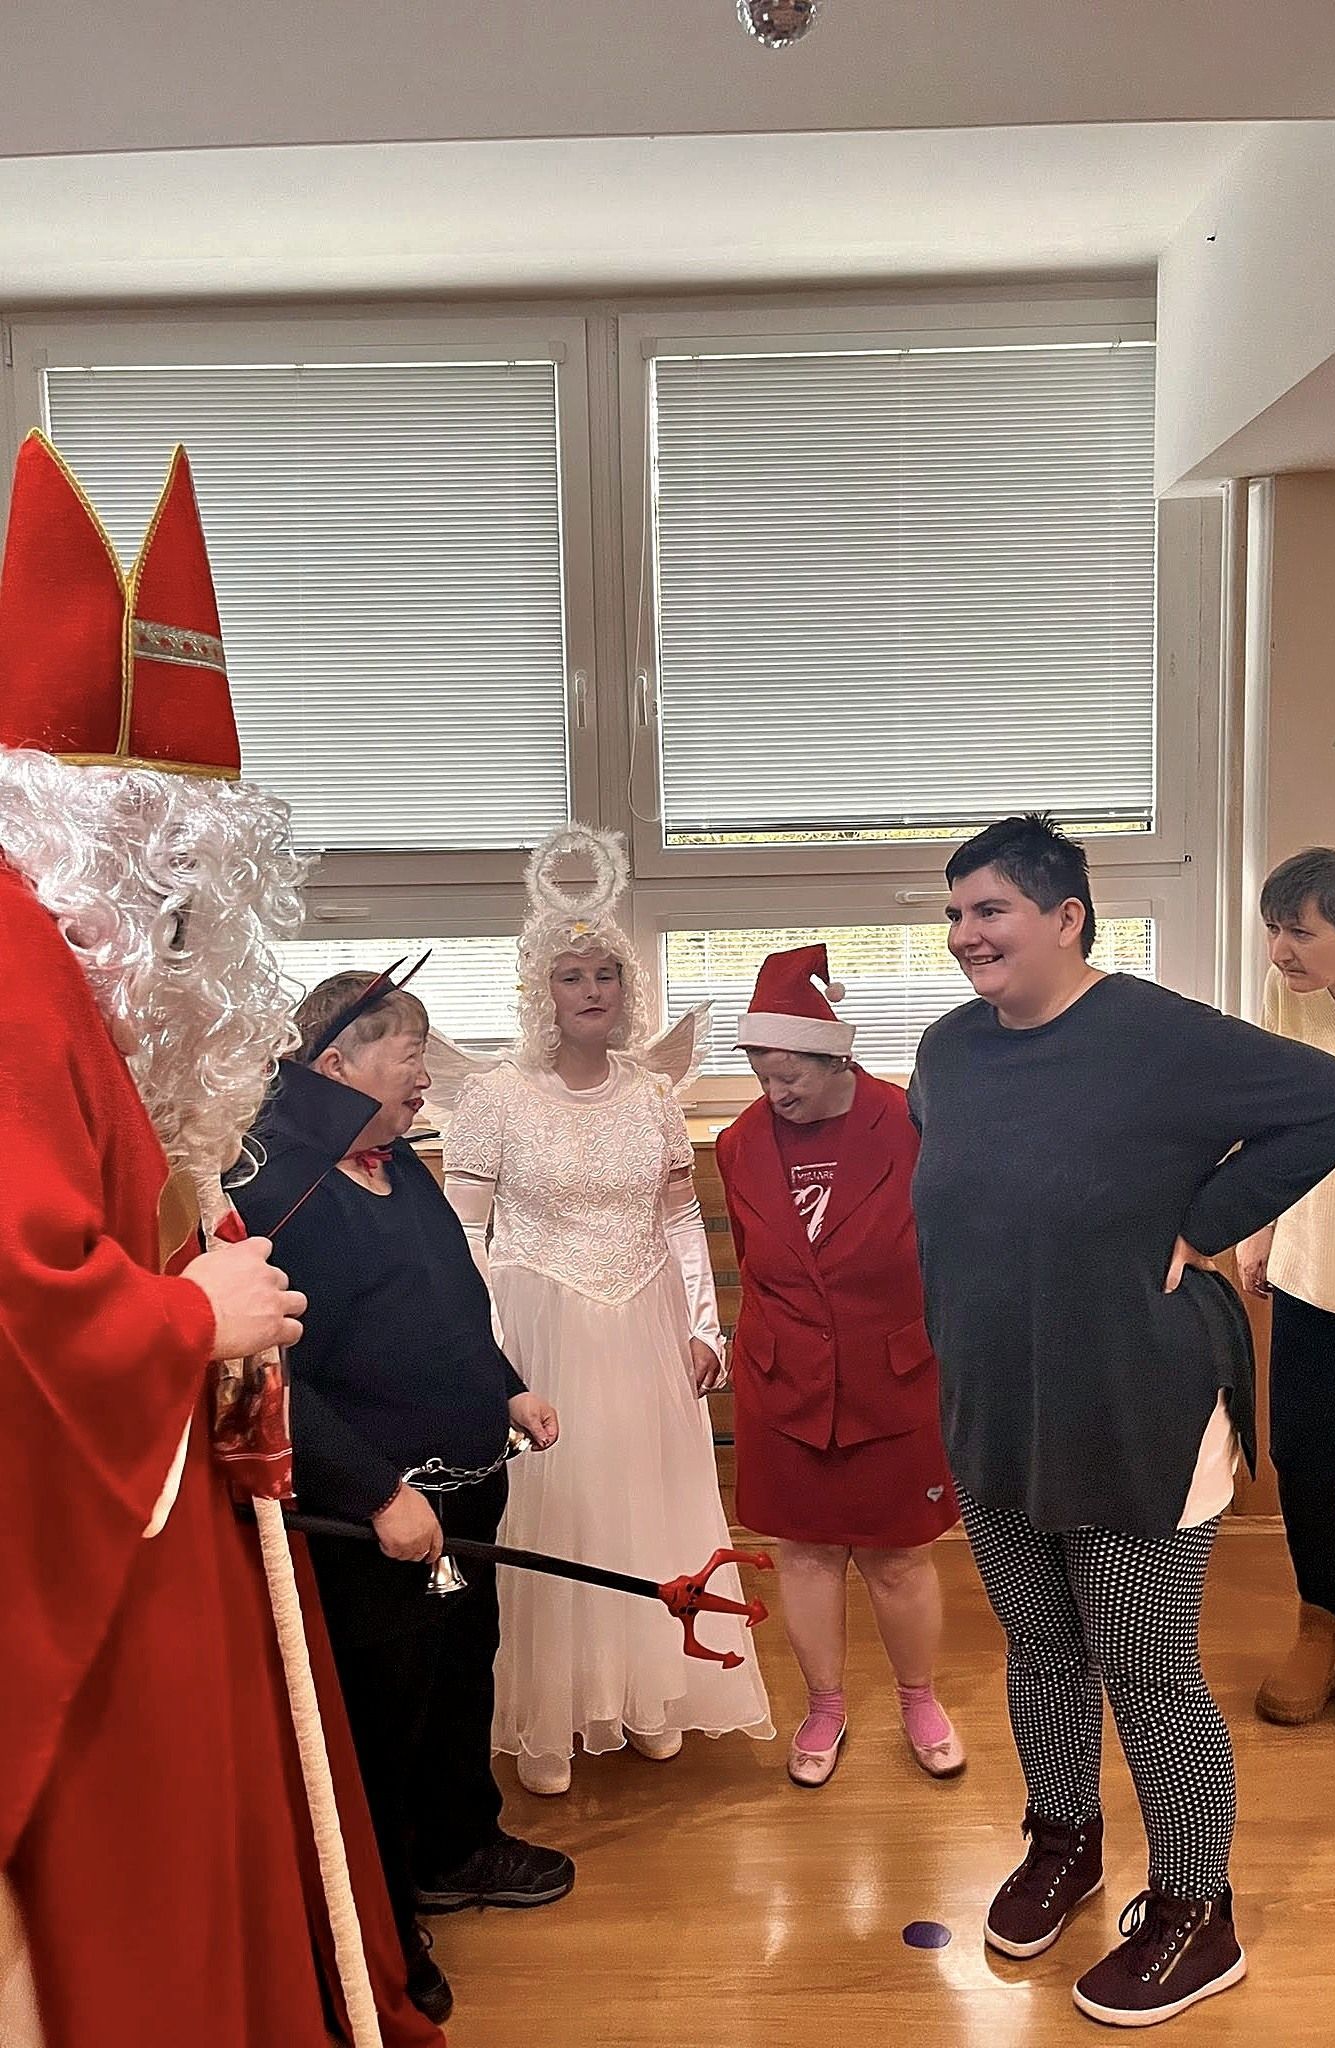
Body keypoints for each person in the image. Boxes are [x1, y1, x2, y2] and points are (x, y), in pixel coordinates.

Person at [0, 430, 438, 2048]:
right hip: (97, 1588)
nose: (199, 938)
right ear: (104, 842)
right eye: (184, 892)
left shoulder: (77, 978)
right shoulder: (15, 977)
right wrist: (192, 1320)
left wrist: (208, 1308)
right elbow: (22, 1300)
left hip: (162, 1521)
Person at [908, 813, 1335, 2030]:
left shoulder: (1158, 1033)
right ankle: (1063, 1839)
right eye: (954, 913)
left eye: (990, 910)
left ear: (1067, 916)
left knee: (1148, 1671)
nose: (964, 934)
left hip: (1136, 1402)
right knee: (1040, 1648)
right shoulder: (947, 1050)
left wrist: (1207, 1222)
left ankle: (1197, 1911)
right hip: (997, 1405)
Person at [234, 967, 575, 2025]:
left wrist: (505, 1385)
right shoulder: (269, 1187)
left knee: (462, 1670)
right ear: (336, 1064)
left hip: (467, 1487)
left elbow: (446, 1300)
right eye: (409, 1055)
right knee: (382, 1714)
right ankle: (382, 1920)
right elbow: (273, 1380)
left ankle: (458, 1845)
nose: (425, 1076)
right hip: (371, 1514)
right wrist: (378, 1492)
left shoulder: (398, 1164)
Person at [436, 824, 772, 1795]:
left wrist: (702, 1325)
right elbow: (464, 1234)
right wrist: (493, 1356)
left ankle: (649, 1692)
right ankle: (550, 1714)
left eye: (607, 974)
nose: (592, 990)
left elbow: (678, 1219)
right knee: (559, 1512)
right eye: (571, 975)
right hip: (539, 1329)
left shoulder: (652, 1095)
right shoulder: (496, 1097)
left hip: (646, 1324)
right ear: (539, 991)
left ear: (628, 988)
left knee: (649, 1505)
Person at [716, 944, 962, 1787]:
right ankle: (823, 1706)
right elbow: (753, 1262)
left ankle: (918, 1699)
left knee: (896, 1558)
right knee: (806, 1552)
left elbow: (950, 1246)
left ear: (834, 1057)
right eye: (760, 1074)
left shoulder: (912, 1123)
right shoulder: (739, 1143)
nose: (773, 1091)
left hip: (894, 1377)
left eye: (788, 1073)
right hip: (783, 1381)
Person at [1236, 847, 1335, 1738]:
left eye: (1298, 932)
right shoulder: (1288, 997)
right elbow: (1273, 1124)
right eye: (1271, 930)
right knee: (1303, 1456)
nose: (1279, 951)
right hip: (1315, 1271)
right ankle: (1322, 1631)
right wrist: (1259, 1229)